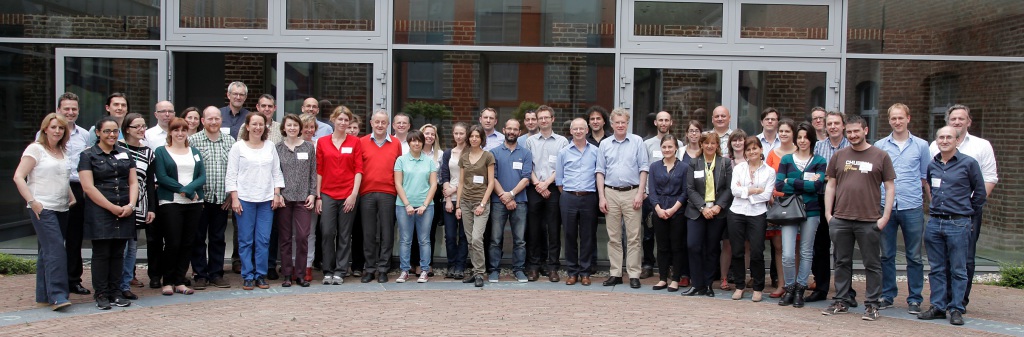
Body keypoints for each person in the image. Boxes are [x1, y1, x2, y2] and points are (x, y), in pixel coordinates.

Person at [821, 115, 895, 321]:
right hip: (841, 218)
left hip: (869, 219)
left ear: (865, 130)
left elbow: (890, 187)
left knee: (872, 264)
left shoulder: (880, 156)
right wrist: (829, 214)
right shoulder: (839, 155)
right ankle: (841, 301)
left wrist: (885, 216)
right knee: (841, 261)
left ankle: (872, 305)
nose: (853, 135)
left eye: (856, 131)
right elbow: (831, 185)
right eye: (850, 132)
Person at [928, 104, 997, 313]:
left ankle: (958, 304)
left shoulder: (980, 147)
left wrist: (969, 209)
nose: (957, 122)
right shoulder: (934, 151)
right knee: (939, 266)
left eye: (961, 118)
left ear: (969, 121)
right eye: (953, 119)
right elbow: (932, 183)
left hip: (964, 215)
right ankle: (940, 304)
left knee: (963, 262)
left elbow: (987, 181)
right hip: (938, 216)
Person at [917, 126, 986, 326]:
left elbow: (980, 194)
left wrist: (967, 213)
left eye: (949, 137)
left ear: (957, 140)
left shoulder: (969, 163)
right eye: (941, 137)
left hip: (958, 222)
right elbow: (931, 187)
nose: (945, 140)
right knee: (937, 269)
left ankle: (956, 308)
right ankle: (938, 306)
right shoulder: (933, 165)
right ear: (936, 141)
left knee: (958, 269)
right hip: (935, 222)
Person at [14, 113, 74, 311]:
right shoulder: (36, 149)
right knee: (56, 250)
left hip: (62, 207)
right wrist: (32, 201)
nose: (57, 131)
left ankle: (43, 295)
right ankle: (58, 295)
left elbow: (61, 176)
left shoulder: (62, 151)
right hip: (43, 207)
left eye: (61, 128)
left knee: (46, 252)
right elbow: (19, 177)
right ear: (45, 129)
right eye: (54, 127)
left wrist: (70, 195)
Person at [874, 103, 930, 314]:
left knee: (914, 256)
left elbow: (924, 176)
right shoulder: (880, 145)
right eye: (893, 119)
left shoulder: (921, 146)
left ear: (908, 118)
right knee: (886, 254)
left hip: (912, 206)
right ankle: (888, 294)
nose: (897, 122)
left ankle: (914, 298)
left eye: (900, 118)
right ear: (889, 121)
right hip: (885, 206)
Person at [80, 117, 138, 310]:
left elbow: (133, 182)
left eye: (114, 131)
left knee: (118, 253)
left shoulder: (124, 153)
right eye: (107, 131)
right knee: (102, 253)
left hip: (124, 208)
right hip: (100, 210)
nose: (111, 135)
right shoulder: (88, 155)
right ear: (98, 133)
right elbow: (88, 187)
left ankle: (116, 291)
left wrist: (130, 204)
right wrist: (111, 207)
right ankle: (102, 293)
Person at [226, 112, 286, 291]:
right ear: (247, 126)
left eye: (261, 124)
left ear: (265, 127)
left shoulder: (270, 146)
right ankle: (247, 275)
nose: (258, 127)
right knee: (245, 240)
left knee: (263, 239)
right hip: (245, 199)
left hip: (266, 200)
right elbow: (231, 174)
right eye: (254, 124)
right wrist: (234, 198)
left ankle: (260, 275)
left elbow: (276, 172)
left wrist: (277, 194)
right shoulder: (238, 147)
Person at [774, 122, 827, 308]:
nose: (803, 141)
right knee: (788, 254)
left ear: (812, 139)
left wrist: (793, 181)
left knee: (806, 252)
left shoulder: (820, 161)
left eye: (806, 137)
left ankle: (800, 289)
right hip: (790, 210)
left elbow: (817, 186)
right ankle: (789, 287)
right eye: (800, 137)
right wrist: (805, 182)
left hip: (812, 212)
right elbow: (780, 185)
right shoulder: (787, 159)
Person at [597, 108, 649, 289]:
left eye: (623, 122)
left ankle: (634, 274)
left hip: (632, 192)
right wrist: (602, 197)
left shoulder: (637, 142)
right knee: (614, 237)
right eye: (617, 122)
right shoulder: (604, 144)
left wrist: (640, 193)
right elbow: (600, 171)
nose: (620, 125)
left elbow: (644, 168)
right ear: (611, 124)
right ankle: (615, 273)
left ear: (628, 123)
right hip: (610, 192)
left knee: (634, 236)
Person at [153, 117, 206, 296]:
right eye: (176, 130)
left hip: (194, 204)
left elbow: (201, 176)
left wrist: (190, 191)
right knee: (173, 242)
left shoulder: (195, 151)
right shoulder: (161, 152)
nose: (180, 133)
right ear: (170, 132)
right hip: (171, 202)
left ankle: (179, 280)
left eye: (183, 130)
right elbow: (161, 177)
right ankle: (167, 281)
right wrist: (186, 191)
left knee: (188, 242)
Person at [188, 107, 235, 289]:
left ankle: (216, 273)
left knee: (218, 238)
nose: (214, 122)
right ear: (203, 120)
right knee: (198, 238)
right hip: (200, 199)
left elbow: (234, 170)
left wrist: (231, 195)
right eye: (210, 119)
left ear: (221, 120)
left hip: (222, 199)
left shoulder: (229, 141)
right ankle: (200, 274)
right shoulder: (193, 141)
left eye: (217, 118)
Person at [684, 132, 734, 297]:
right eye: (707, 143)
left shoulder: (725, 163)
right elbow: (690, 189)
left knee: (712, 249)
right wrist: (702, 207)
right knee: (693, 246)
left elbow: (729, 188)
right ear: (702, 145)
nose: (710, 146)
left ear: (718, 145)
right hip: (697, 211)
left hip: (717, 212)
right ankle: (696, 284)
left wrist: (719, 206)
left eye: (713, 143)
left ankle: (708, 284)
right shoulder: (694, 163)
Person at [807, 110, 849, 303]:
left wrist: (826, 176)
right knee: (820, 247)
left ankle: (846, 292)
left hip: (846, 202)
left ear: (843, 126)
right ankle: (821, 288)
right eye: (829, 123)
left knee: (843, 249)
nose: (832, 127)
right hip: (820, 200)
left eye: (836, 123)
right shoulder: (817, 148)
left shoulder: (851, 146)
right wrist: (830, 176)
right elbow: (811, 175)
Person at [317, 108, 363, 285]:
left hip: (348, 194)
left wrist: (353, 195)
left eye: (346, 120)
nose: (343, 123)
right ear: (333, 120)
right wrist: (318, 196)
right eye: (340, 119)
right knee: (327, 232)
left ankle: (341, 270)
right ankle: (328, 270)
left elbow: (359, 169)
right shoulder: (322, 142)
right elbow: (319, 169)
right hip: (327, 193)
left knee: (345, 234)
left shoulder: (355, 142)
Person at [524, 106, 568, 282]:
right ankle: (534, 267)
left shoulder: (562, 141)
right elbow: (529, 167)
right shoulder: (530, 141)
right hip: (534, 188)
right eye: (540, 118)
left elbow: (562, 167)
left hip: (554, 188)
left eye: (546, 117)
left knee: (553, 229)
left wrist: (547, 183)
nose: (543, 120)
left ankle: (553, 268)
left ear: (552, 119)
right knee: (533, 230)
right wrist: (537, 184)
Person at [728, 137, 774, 302]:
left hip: (757, 213)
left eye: (755, 148)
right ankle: (740, 286)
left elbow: (767, 195)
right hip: (737, 212)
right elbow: (734, 190)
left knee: (756, 251)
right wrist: (754, 190)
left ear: (761, 150)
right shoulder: (739, 168)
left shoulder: (769, 171)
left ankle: (758, 288)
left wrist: (746, 191)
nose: (751, 152)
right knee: (738, 251)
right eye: (748, 150)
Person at [487, 119, 533, 283]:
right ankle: (493, 270)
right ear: (504, 130)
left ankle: (519, 270)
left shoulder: (526, 153)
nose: (512, 132)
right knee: (496, 239)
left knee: (519, 240)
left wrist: (511, 194)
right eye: (509, 129)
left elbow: (526, 178)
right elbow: (492, 177)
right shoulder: (494, 152)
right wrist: (504, 197)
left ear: (519, 132)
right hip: (498, 202)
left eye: (515, 129)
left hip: (519, 201)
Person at [557, 118, 601, 286]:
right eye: (575, 129)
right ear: (570, 131)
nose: (578, 131)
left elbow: (599, 175)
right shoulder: (564, 152)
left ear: (587, 130)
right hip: (568, 197)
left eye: (581, 128)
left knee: (588, 236)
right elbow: (559, 180)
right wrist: (570, 194)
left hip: (589, 197)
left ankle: (585, 272)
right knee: (569, 235)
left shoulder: (596, 151)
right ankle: (572, 272)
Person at [359, 110, 402, 283]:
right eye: (377, 122)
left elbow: (399, 168)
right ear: (371, 123)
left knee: (387, 232)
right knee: (368, 233)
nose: (379, 125)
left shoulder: (396, 143)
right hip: (366, 192)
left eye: (383, 122)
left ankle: (383, 268)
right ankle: (369, 269)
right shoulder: (361, 142)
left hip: (388, 192)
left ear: (388, 124)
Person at [117, 113, 157, 300]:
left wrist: (151, 208)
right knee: (120, 247)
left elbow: (149, 183)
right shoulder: (116, 149)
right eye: (137, 126)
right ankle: (114, 284)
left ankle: (125, 285)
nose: (142, 130)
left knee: (132, 247)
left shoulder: (148, 152)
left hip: (139, 205)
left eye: (143, 126)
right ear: (127, 129)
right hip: (119, 204)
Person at [274, 114, 316, 287]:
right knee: (285, 237)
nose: (292, 128)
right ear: (284, 128)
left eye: (295, 125)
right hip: (284, 198)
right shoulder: (277, 148)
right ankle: (286, 274)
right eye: (289, 125)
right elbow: (274, 172)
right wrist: (277, 194)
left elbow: (313, 172)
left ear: (300, 128)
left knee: (302, 236)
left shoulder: (308, 147)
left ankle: (300, 274)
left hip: (303, 199)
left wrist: (313, 193)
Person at [641, 111, 683, 281]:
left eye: (666, 120)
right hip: (652, 197)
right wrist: (644, 192)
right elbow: (644, 168)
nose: (663, 123)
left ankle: (672, 270)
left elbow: (678, 169)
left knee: (673, 239)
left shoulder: (679, 143)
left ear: (671, 122)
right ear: (655, 123)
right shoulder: (647, 144)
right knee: (649, 233)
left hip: (673, 199)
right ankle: (649, 264)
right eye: (660, 120)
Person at [394, 130, 438, 283]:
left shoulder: (430, 161)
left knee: (424, 240)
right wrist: (407, 204)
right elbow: (398, 184)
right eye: (413, 140)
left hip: (425, 206)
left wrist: (425, 205)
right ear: (408, 142)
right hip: (403, 206)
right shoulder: (401, 160)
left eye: (419, 140)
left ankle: (424, 270)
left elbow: (433, 185)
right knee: (405, 239)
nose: (416, 143)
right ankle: (405, 270)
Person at [647, 134, 688, 292]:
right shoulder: (654, 167)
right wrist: (658, 209)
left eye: (670, 147)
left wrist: (672, 209)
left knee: (677, 246)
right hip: (659, 210)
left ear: (676, 148)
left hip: (677, 211)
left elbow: (685, 192)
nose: (667, 149)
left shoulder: (684, 167)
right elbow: (652, 191)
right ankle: (663, 278)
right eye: (664, 147)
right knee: (662, 247)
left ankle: (675, 279)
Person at [456, 125, 496, 287]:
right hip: (465, 202)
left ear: (481, 139)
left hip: (481, 203)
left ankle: (480, 272)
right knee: (470, 240)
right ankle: (475, 271)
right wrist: (458, 205)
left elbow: (491, 182)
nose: (474, 139)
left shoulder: (488, 156)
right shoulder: (464, 157)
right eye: (471, 136)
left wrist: (482, 203)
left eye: (477, 136)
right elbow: (460, 182)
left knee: (477, 238)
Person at [765, 118, 797, 298]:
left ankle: (797, 284)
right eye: (781, 131)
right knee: (778, 247)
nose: (784, 134)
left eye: (787, 131)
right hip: (777, 203)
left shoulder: (800, 153)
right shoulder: (772, 154)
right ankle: (782, 285)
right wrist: (770, 195)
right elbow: (768, 178)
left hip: (796, 204)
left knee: (796, 248)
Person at [410, 123, 441, 276]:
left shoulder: (440, 155)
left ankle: (427, 263)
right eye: (426, 134)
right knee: (414, 231)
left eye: (432, 134)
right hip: (415, 192)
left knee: (429, 232)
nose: (429, 136)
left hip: (434, 193)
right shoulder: (413, 153)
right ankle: (415, 262)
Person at [440, 122, 469, 279]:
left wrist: (455, 189)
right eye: (456, 133)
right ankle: (451, 265)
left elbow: (470, 179)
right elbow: (445, 175)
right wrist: (448, 198)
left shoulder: (471, 153)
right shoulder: (448, 153)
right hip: (449, 198)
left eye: (462, 133)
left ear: (466, 135)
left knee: (464, 235)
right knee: (450, 235)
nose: (459, 136)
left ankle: (460, 266)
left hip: (466, 198)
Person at [721, 129, 748, 290]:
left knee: (746, 244)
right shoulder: (725, 161)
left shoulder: (752, 160)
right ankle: (724, 277)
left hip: (747, 207)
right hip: (728, 207)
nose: (738, 143)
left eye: (741, 140)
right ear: (730, 144)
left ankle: (741, 278)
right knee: (727, 244)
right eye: (734, 140)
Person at [300, 113, 321, 281]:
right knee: (293, 234)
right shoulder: (288, 146)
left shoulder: (318, 146)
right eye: (305, 126)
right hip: (293, 195)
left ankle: (307, 265)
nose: (308, 130)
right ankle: (294, 264)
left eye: (311, 127)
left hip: (311, 194)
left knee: (310, 233)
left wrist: (315, 194)